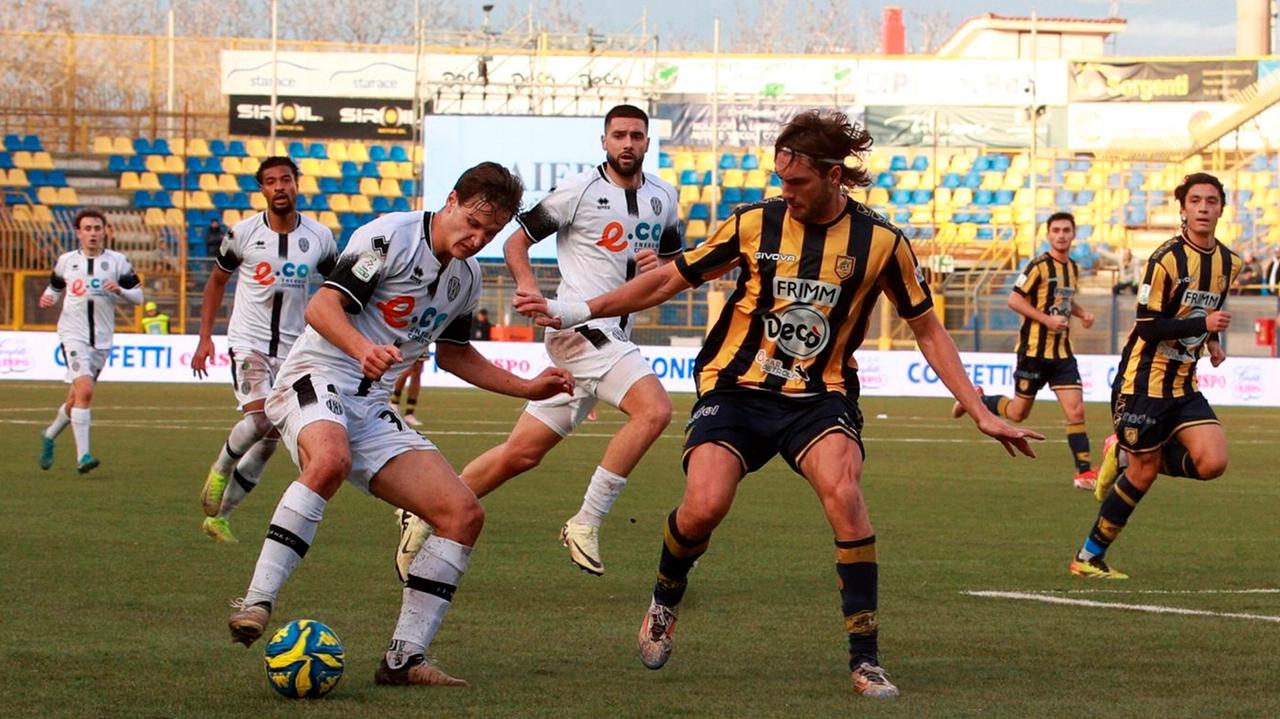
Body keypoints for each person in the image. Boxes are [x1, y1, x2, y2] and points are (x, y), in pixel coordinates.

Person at [516, 110, 1042, 698]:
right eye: (780, 180)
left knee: (845, 496)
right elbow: (668, 280)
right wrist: (580, 309)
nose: (784, 192)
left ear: (833, 175)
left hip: (821, 397)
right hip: (736, 389)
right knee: (703, 507)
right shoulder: (751, 224)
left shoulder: (883, 243)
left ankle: (865, 659)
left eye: (796, 183)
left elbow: (927, 329)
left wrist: (978, 408)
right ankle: (665, 598)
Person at [226, 162, 574, 688]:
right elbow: (323, 308)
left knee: (463, 514)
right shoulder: (389, 238)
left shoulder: (466, 277)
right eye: (473, 223)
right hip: (316, 375)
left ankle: (404, 659)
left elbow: (456, 357)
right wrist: (363, 348)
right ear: (452, 200)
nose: (477, 239)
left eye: (491, 232)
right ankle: (255, 602)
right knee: (331, 460)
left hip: (372, 405)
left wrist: (528, 387)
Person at [396, 104, 683, 580]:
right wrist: (528, 287)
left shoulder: (663, 196)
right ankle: (586, 521)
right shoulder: (578, 190)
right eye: (619, 135)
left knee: (521, 454)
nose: (627, 143)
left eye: (636, 135)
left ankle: (425, 512)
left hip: (614, 335)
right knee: (654, 411)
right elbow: (515, 241)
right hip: (579, 330)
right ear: (604, 141)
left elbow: (675, 266)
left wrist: (659, 268)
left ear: (648, 142)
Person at [1070, 172, 1242, 580]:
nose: (1203, 207)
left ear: (1221, 208)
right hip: (1142, 380)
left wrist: (1213, 340)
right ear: (1182, 209)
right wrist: (1203, 322)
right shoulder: (1165, 259)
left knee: (1213, 461)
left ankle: (1126, 451)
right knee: (1143, 474)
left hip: (1184, 381)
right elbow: (1147, 325)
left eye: (1211, 201)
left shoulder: (1228, 262)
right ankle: (1088, 557)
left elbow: (1209, 307)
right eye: (1195, 200)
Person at [191, 157, 338, 544]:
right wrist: (205, 337)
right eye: (270, 181)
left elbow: (337, 291)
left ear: (296, 184)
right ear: (262, 189)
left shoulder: (320, 238)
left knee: (271, 439)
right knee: (259, 421)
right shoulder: (242, 234)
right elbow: (216, 282)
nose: (279, 187)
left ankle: (220, 517)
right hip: (249, 341)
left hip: (294, 348)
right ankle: (221, 467)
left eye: (285, 180)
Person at [951, 211, 1098, 490]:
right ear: (1048, 235)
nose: (1061, 235)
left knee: (1076, 411)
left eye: (1066, 230)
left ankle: (1084, 472)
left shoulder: (1074, 268)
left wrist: (1081, 313)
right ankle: (979, 399)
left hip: (1062, 354)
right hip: (1033, 351)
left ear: (1073, 234)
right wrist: (1046, 320)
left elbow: (1062, 301)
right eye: (1056, 230)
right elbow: (1014, 299)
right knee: (1018, 414)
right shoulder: (1038, 266)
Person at [37, 208, 144, 473]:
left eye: (97, 228)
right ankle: (83, 457)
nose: (93, 233)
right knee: (85, 391)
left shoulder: (118, 262)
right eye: (88, 229)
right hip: (73, 334)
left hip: (102, 339)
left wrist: (120, 290)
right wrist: (48, 298)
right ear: (79, 233)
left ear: (105, 231)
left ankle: (49, 435)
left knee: (76, 399)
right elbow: (54, 288)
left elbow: (139, 297)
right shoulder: (66, 261)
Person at [391, 359, 425, 427]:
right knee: (407, 369)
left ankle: (409, 413)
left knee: (418, 368)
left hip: (422, 348)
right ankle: (394, 402)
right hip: (408, 348)